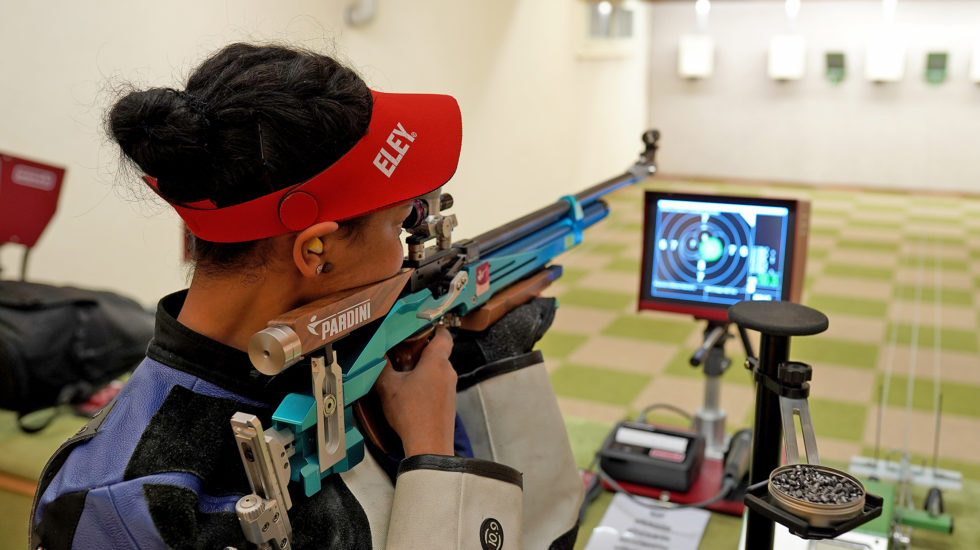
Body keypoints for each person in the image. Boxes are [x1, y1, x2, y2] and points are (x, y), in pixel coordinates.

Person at [30, 43, 583, 549]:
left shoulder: (340, 355)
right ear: (316, 251)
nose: (413, 246)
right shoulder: (126, 501)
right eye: (401, 224)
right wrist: (430, 451)